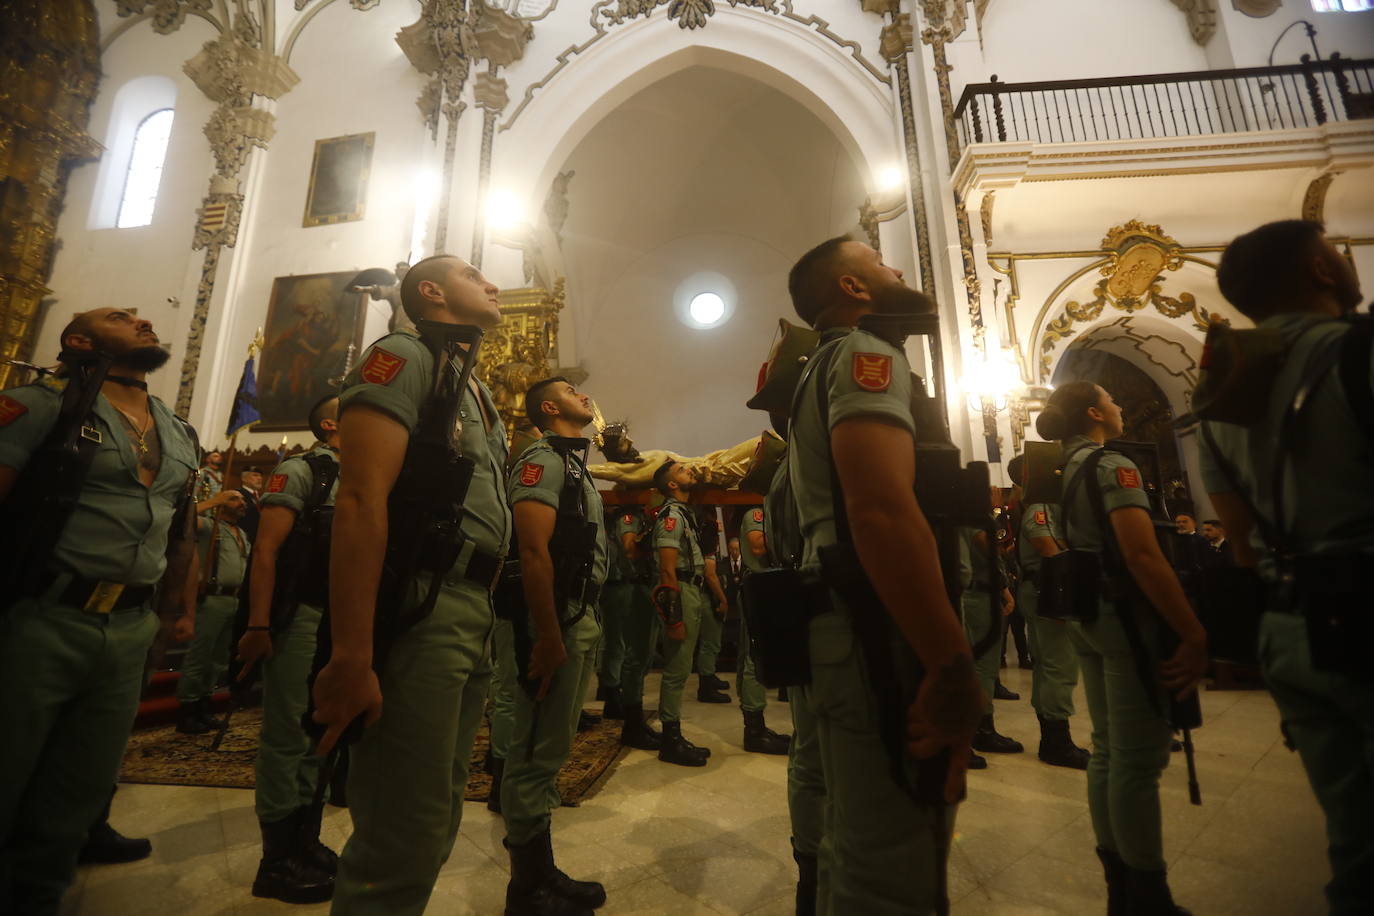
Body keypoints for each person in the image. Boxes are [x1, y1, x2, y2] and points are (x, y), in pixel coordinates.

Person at [785, 236, 984, 913]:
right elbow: (879, 510)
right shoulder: (867, 354)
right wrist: (950, 663)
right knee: (897, 867)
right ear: (853, 287)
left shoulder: (823, 364)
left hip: (852, 617)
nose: (896, 268)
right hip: (880, 624)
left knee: (861, 844)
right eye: (879, 260)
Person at [311, 253, 511, 915]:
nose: (493, 284)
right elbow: (361, 501)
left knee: (440, 815)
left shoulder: (470, 384)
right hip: (423, 605)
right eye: (474, 275)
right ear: (433, 293)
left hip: (468, 609)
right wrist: (352, 653)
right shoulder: (403, 355)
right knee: (403, 832)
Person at [0, 307, 201, 913]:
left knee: (78, 788)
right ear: (79, 340)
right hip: (43, 616)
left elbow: (181, 533)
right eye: (122, 316)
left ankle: (37, 897)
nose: (142, 320)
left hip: (129, 627)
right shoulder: (39, 405)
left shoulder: (177, 429)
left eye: (142, 317)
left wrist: (172, 613)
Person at [1199, 219, 1372, 915]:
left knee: (1353, 838)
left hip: (1289, 629)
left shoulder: (1221, 399)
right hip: (1365, 611)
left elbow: (1238, 541)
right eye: (1333, 249)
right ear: (1322, 271)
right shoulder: (1357, 353)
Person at [1036, 380, 1207, 915]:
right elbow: (1143, 554)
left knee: (1109, 752)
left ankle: (1121, 887)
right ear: (1093, 412)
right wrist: (1193, 630)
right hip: (1125, 617)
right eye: (1112, 399)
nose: (1119, 405)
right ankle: (1148, 895)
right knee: (1137, 761)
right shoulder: (1111, 466)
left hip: (1089, 615)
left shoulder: (1057, 470)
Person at [499, 377, 609, 915]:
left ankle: (540, 871)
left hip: (576, 616)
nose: (585, 396)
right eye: (572, 390)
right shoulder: (539, 460)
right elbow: (532, 551)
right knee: (535, 750)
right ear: (549, 407)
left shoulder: (572, 463)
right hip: (555, 621)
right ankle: (528, 887)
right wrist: (546, 634)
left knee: (552, 747)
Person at [235, 395, 342, 904]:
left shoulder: (368, 472)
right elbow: (268, 550)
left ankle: (306, 837)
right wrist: (259, 622)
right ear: (330, 423)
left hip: (342, 622)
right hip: (302, 615)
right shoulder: (305, 471)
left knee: (321, 732)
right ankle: (275, 859)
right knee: (288, 734)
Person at [1006, 453, 1090, 770]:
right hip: (1048, 590)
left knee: (1048, 665)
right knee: (1059, 666)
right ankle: (1057, 741)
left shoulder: (1043, 504)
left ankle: (1052, 738)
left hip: (1045, 588)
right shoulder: (1040, 507)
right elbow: (1046, 545)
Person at [650, 459, 717, 766]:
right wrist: (674, 617)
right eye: (681, 470)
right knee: (677, 669)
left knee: (683, 666)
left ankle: (674, 734)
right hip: (682, 591)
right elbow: (666, 570)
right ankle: (670, 739)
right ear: (672, 485)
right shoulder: (671, 517)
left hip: (693, 589)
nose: (689, 470)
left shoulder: (684, 514)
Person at [175, 489, 252, 734]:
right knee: (200, 656)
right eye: (235, 498)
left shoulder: (241, 533)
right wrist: (213, 502)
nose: (242, 503)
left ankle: (203, 706)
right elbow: (179, 518)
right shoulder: (209, 526)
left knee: (218, 659)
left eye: (242, 499)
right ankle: (187, 710)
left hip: (235, 600)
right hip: (213, 599)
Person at [959, 506, 1023, 769]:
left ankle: (978, 729)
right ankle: (982, 730)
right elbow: (990, 548)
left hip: (972, 593)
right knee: (984, 667)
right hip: (981, 595)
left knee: (977, 666)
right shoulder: (969, 517)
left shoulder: (949, 516)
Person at [734, 506, 791, 755]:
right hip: (758, 587)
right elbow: (758, 546)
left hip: (766, 586)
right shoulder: (756, 513)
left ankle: (758, 728)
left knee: (755, 655)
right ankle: (754, 732)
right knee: (753, 658)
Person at [607, 505, 662, 750]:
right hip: (633, 586)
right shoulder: (628, 516)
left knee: (641, 656)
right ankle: (632, 723)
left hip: (641, 585)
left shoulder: (642, 513)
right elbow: (630, 549)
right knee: (634, 655)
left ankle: (634, 719)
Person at [694, 508, 731, 703]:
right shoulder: (707, 530)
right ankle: (705, 686)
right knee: (711, 641)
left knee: (711, 641)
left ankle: (709, 675)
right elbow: (709, 572)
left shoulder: (701, 528)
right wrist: (723, 599)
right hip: (707, 594)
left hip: (701, 592)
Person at [237, 466, 264, 540]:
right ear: (244, 479)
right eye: (255, 475)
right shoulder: (238, 494)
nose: (259, 478)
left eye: (260, 476)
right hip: (245, 537)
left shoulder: (260, 497)